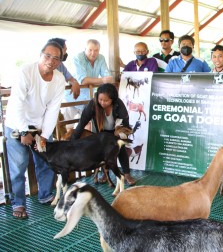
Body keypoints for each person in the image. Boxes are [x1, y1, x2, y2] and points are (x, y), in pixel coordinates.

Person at [5, 41, 66, 219]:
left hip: (40, 126)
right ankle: (19, 203)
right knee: (19, 166)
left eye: (56, 58)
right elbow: (17, 103)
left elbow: (53, 109)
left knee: (47, 160)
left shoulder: (59, 79)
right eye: (48, 56)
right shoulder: (26, 71)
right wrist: (24, 131)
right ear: (40, 54)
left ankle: (46, 195)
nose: (51, 61)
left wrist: (45, 136)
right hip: (17, 124)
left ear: (60, 62)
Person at [71, 83, 136, 185]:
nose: (102, 102)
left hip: (117, 131)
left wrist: (121, 136)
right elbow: (81, 123)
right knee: (101, 152)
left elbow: (126, 124)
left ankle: (127, 173)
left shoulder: (119, 105)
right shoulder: (93, 105)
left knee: (120, 147)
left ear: (112, 99)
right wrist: (72, 142)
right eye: (100, 99)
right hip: (101, 132)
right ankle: (105, 174)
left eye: (106, 100)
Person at [62, 39, 113, 123]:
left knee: (88, 124)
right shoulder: (78, 58)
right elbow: (83, 80)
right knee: (67, 125)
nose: (93, 53)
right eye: (90, 50)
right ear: (85, 49)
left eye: (96, 50)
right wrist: (102, 80)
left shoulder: (101, 58)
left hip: (89, 98)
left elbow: (108, 77)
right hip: (73, 98)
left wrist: (105, 79)